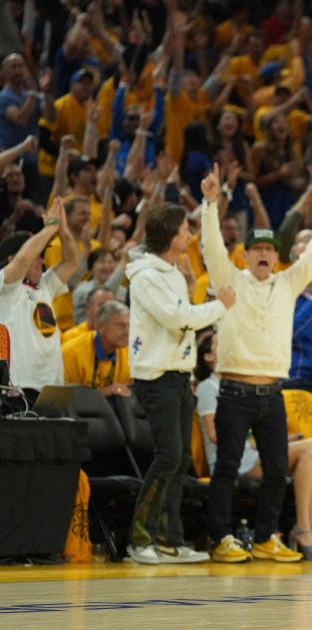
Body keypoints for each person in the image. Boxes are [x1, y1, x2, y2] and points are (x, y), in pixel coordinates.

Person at [201, 165, 312, 564]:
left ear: (275, 256)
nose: (264, 254)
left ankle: (267, 537)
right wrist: (210, 204)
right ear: (245, 255)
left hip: (272, 392)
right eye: (257, 250)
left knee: (277, 468)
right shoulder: (227, 279)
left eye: (269, 250)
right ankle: (220, 537)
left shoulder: (288, 283)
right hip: (234, 390)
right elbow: (211, 246)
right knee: (228, 468)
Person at [125, 203, 234, 565]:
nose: (189, 235)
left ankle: (171, 541)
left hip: (177, 374)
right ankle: (139, 539)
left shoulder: (170, 270)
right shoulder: (145, 276)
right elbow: (177, 318)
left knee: (181, 458)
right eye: (186, 229)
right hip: (155, 377)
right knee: (169, 455)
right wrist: (220, 305)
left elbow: (182, 317)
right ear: (171, 235)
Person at [194, 331, 312, 560]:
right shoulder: (208, 387)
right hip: (233, 458)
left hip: (249, 453)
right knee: (309, 449)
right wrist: (251, 435)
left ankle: (310, 524)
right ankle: (303, 527)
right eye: (221, 342)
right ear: (208, 356)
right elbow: (214, 434)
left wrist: (267, 440)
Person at [0, 199, 79, 411]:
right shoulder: (5, 286)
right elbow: (24, 256)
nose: (41, 261)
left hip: (52, 387)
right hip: (17, 386)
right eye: (38, 256)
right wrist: (50, 228)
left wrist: (62, 230)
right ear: (11, 259)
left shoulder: (44, 285)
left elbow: (73, 262)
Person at [61, 300, 131, 397]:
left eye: (129, 326)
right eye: (120, 326)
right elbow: (61, 398)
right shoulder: (71, 353)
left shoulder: (129, 351)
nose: (127, 332)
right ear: (101, 325)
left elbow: (130, 386)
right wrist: (103, 392)